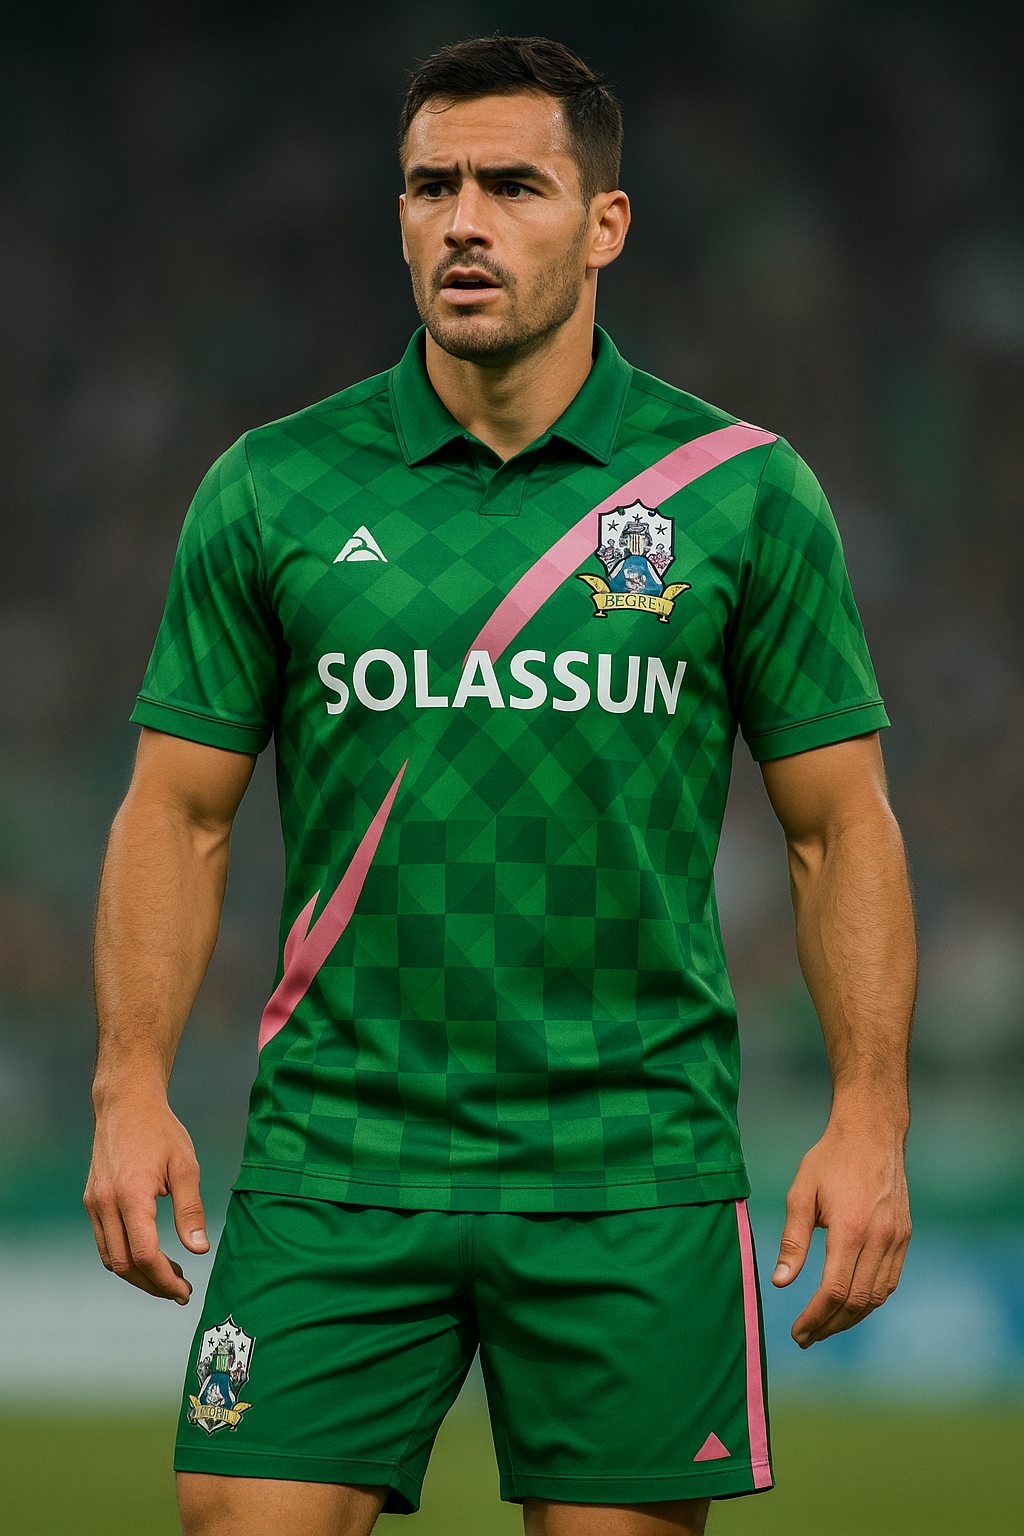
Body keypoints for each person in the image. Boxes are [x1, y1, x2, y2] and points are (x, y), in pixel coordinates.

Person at [84, 34, 915, 1536]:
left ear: (605, 223)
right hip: (342, 1151)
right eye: (431, 186)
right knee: (236, 1517)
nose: (463, 221)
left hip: (631, 1161)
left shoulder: (742, 490)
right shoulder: (274, 484)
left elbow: (837, 828)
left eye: (513, 186)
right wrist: (129, 1084)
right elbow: (178, 812)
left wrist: (870, 1117)